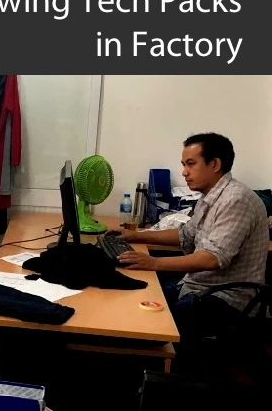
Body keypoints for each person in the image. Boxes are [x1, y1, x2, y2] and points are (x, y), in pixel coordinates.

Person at [115, 132, 268, 346]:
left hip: (228, 299)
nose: (184, 172)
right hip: (199, 285)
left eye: (190, 164)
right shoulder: (209, 196)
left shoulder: (236, 200)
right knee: (140, 295)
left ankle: (166, 364)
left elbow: (212, 258)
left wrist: (154, 263)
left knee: (155, 325)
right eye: (184, 165)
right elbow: (184, 234)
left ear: (215, 164)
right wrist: (137, 236)